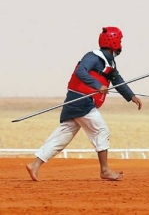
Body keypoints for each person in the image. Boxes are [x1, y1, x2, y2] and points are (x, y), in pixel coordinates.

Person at [26, 26, 142, 181]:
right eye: (120, 40)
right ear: (113, 42)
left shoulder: (110, 62)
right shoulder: (93, 57)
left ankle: (35, 164)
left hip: (78, 102)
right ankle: (105, 170)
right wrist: (97, 85)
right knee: (101, 130)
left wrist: (131, 96)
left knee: (63, 136)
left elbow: (116, 80)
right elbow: (80, 71)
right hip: (81, 101)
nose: (121, 44)